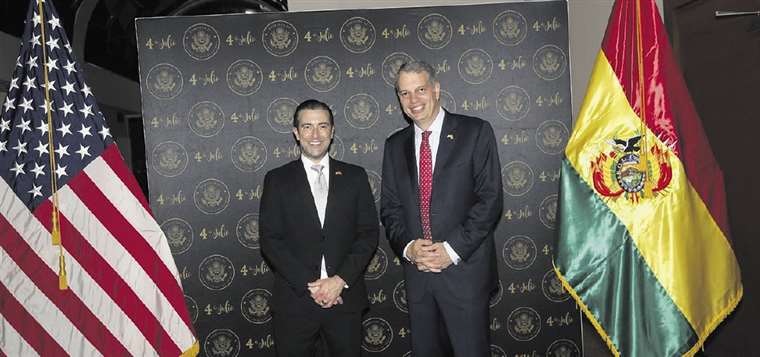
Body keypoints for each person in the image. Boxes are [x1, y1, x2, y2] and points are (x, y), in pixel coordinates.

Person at [380, 61, 503, 357]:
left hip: (465, 274)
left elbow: (490, 200)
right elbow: (390, 208)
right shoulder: (394, 145)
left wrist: (451, 250)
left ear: (436, 89)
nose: (413, 100)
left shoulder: (475, 131)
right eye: (404, 93)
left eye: (420, 90)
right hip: (419, 279)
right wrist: (409, 248)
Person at [260, 99, 379, 357]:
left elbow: (368, 234)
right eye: (307, 127)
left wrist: (339, 281)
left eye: (322, 126)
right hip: (295, 301)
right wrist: (310, 285)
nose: (315, 135)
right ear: (296, 133)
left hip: (345, 300)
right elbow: (271, 239)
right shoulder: (277, 180)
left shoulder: (355, 176)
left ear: (332, 131)